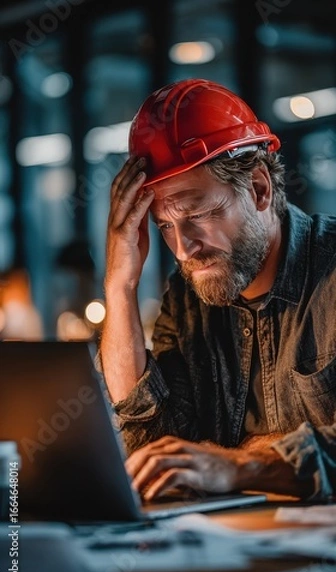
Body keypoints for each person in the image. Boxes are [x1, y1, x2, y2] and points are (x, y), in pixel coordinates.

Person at [100, 78, 336, 503]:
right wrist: (120, 287)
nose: (183, 249)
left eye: (199, 213)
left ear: (259, 189)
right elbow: (153, 452)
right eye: (165, 226)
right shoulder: (187, 299)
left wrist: (236, 466)